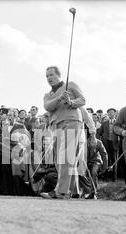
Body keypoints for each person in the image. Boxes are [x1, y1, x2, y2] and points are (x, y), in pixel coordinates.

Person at [40, 66, 86, 199]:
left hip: (71, 121)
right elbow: (48, 106)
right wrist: (60, 98)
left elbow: (82, 100)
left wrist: (71, 102)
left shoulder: (70, 85)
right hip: (55, 127)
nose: (49, 78)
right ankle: (73, 190)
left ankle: (61, 191)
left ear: (59, 75)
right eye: (47, 76)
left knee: (65, 157)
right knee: (59, 160)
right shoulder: (47, 95)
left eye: (51, 75)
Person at [98, 107, 119, 181]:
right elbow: (99, 133)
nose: (110, 113)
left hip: (114, 144)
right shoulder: (104, 123)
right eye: (109, 112)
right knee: (106, 159)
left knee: (114, 160)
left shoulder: (118, 123)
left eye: (112, 112)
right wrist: (99, 142)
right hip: (105, 143)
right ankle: (105, 177)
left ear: (115, 113)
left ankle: (114, 178)